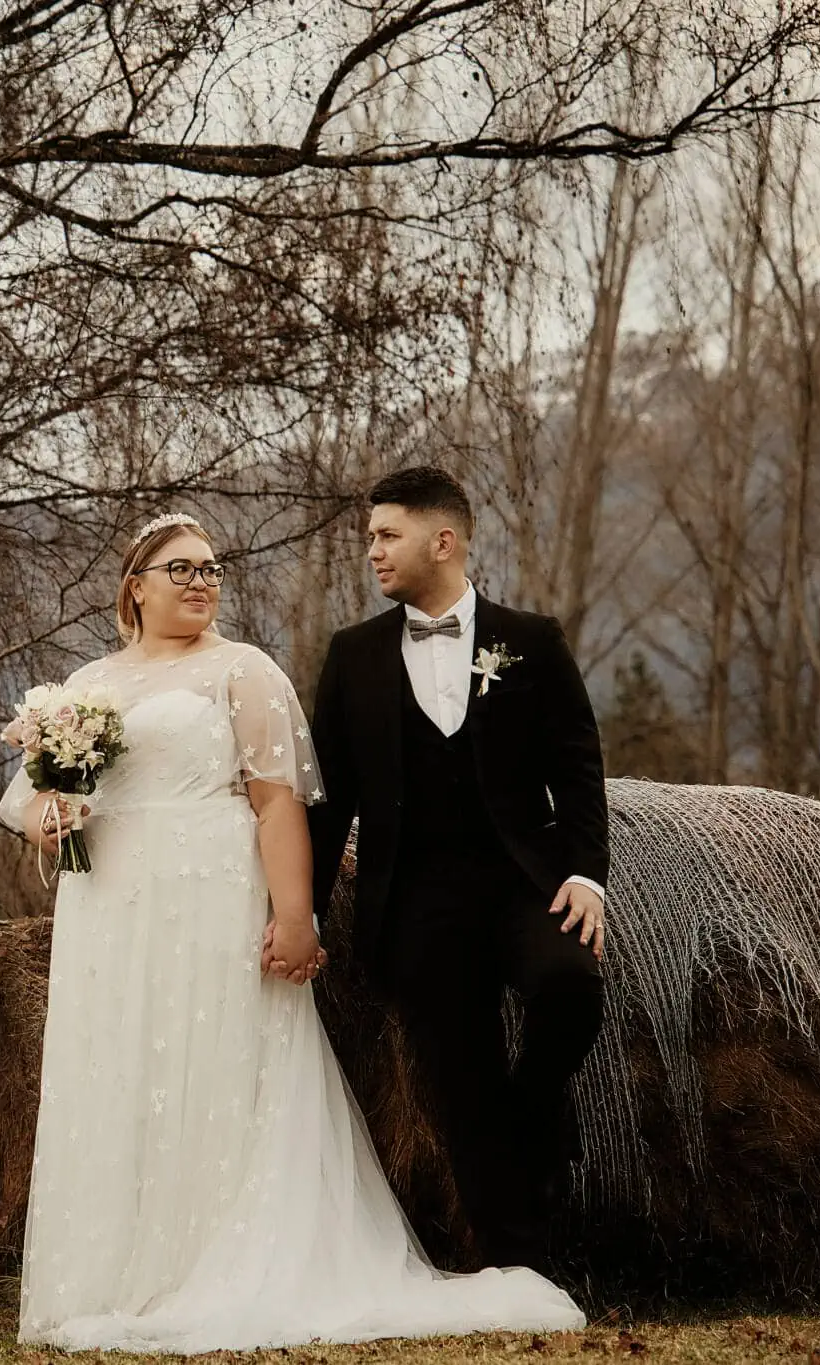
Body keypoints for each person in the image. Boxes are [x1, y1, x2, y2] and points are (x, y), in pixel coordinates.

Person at [0, 511, 584, 1353]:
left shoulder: (244, 670)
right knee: (125, 1064)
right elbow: (28, 800)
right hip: (113, 907)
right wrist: (50, 817)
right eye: (181, 570)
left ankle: (222, 1260)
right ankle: (125, 1271)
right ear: (135, 587)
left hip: (210, 891)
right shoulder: (87, 685)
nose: (202, 582)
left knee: (219, 1066)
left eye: (211, 569)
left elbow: (277, 802)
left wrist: (295, 915)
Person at [307, 465, 608, 1274]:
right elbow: (327, 802)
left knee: (571, 988)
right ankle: (521, 1270)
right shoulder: (352, 657)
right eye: (370, 536)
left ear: (443, 541)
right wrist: (300, 911)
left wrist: (586, 876)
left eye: (386, 534)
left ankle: (535, 1106)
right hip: (414, 901)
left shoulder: (532, 641)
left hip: (525, 882)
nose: (371, 550)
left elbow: (578, 766)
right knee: (462, 1084)